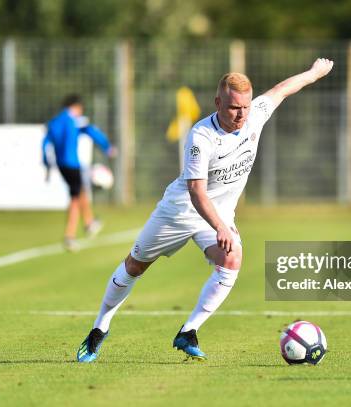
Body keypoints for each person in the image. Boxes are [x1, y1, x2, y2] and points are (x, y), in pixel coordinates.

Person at [76, 58, 334, 362]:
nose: (241, 114)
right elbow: (196, 191)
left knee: (232, 258)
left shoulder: (255, 117)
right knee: (135, 266)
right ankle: (99, 329)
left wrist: (314, 73)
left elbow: (281, 90)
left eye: (246, 107)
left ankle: (188, 332)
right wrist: (221, 228)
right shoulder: (201, 136)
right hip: (180, 210)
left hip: (218, 215)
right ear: (218, 102)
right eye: (234, 107)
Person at [42, 94, 116, 251]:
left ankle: (89, 222)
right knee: (75, 199)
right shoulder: (73, 120)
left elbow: (45, 143)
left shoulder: (54, 122)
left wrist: (46, 163)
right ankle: (70, 236)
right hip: (72, 164)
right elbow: (92, 131)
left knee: (79, 192)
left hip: (61, 165)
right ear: (75, 107)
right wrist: (107, 147)